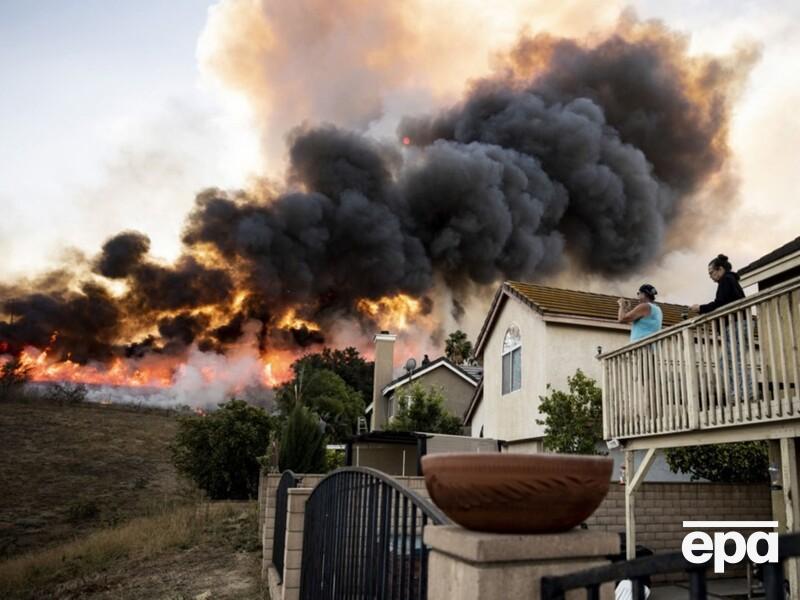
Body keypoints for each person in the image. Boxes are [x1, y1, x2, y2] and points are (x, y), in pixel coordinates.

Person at [690, 254, 749, 401]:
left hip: (736, 324)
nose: (710, 276)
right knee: (732, 361)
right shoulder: (730, 280)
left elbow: (720, 303)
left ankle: (742, 393)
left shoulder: (726, 280)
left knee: (731, 361)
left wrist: (701, 308)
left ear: (720, 269)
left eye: (711, 272)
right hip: (737, 324)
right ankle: (742, 392)